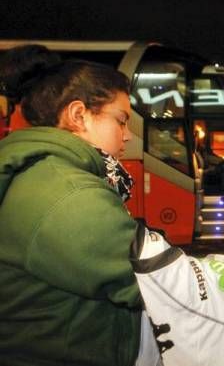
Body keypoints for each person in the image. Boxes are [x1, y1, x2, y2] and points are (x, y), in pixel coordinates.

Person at [0, 55, 157, 365]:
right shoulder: (69, 192)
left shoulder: (48, 175)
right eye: (121, 120)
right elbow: (155, 282)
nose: (127, 135)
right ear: (78, 115)